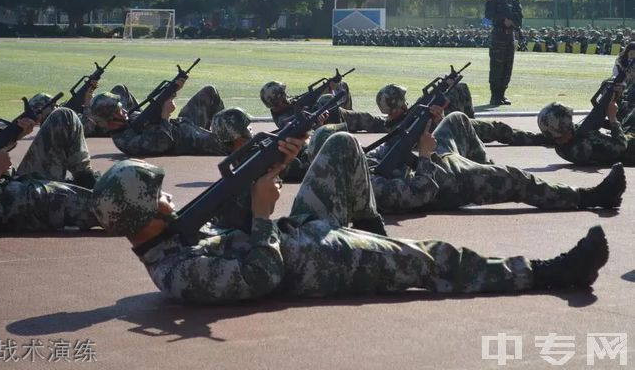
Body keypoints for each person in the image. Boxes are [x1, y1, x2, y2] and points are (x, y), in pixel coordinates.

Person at [91, 134, 609, 305]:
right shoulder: (177, 275)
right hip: (317, 260)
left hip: (303, 231)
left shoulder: (175, 240)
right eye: (157, 196)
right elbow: (261, 275)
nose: (167, 199)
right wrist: (262, 215)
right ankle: (551, 272)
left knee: (340, 146)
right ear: (143, 213)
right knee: (434, 258)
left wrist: (274, 166)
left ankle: (371, 232)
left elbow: (233, 231)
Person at [310, 110, 625, 214]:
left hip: (435, 158)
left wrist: (419, 127)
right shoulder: (366, 191)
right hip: (447, 183)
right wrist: (424, 155)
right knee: (516, 179)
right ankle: (592, 197)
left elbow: (386, 152)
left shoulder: (360, 162)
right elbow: (420, 193)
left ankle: (488, 168)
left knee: (457, 119)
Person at [0, 107, 99, 232]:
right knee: (101, 205)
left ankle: (87, 182)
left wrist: (12, 137)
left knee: (64, 117)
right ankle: (104, 203)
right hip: (7, 202)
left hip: (11, 181)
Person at [376, 84, 548, 146]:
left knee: (459, 88)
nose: (407, 102)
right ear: (397, 105)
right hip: (455, 134)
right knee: (498, 129)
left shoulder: (396, 125)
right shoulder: (404, 127)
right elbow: (433, 138)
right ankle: (540, 138)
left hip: (450, 129)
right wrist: (439, 118)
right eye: (403, 100)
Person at [94, 82, 231, 157]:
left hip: (182, 124)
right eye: (119, 111)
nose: (124, 110)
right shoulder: (126, 142)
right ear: (110, 119)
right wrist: (165, 115)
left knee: (209, 91)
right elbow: (162, 143)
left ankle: (222, 129)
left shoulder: (125, 121)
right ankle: (225, 134)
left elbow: (151, 116)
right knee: (233, 145)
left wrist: (171, 92)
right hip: (187, 140)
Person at [538, 98, 635, 166]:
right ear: (562, 126)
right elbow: (621, 146)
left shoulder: (562, 140)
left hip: (625, 138)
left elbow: (583, 128)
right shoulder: (583, 146)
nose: (571, 122)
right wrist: (612, 118)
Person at [260, 80, 387, 132]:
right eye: (283, 94)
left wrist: (328, 86)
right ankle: (393, 124)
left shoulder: (284, 108)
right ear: (278, 99)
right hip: (327, 124)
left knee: (342, 85)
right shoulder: (284, 120)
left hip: (329, 120)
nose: (286, 95)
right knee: (366, 119)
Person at [485, 0, 522, 106]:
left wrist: (513, 22)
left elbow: (520, 16)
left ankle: (502, 94)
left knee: (507, 66)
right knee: (497, 67)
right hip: (498, 35)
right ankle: (494, 96)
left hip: (510, 36)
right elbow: (488, 14)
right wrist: (502, 20)